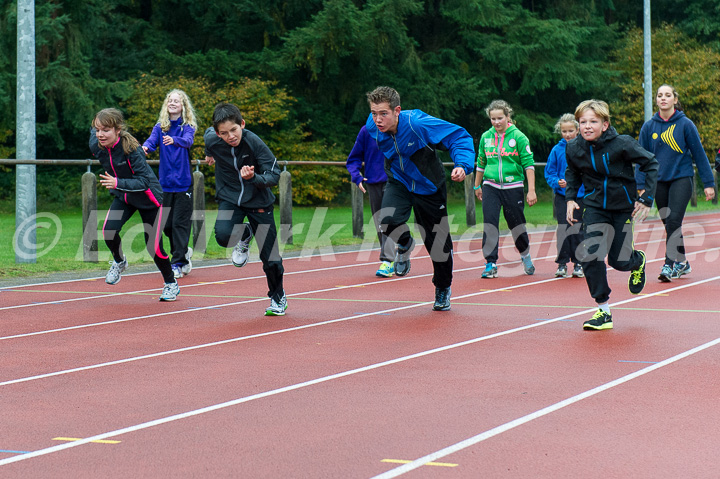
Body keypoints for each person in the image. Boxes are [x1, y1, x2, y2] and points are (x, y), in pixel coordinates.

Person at [364, 86, 475, 311]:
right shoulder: (372, 126)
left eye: (383, 114)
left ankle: (443, 288)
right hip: (400, 182)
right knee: (386, 220)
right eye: (374, 113)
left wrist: (462, 165)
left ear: (397, 111)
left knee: (438, 245)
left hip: (429, 186)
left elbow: (458, 137)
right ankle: (404, 244)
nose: (377, 119)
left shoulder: (417, 124)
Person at [565, 99, 658, 331]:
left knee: (620, 261)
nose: (587, 126)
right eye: (582, 122)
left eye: (593, 122)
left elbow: (651, 163)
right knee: (590, 254)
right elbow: (573, 172)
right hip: (594, 207)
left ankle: (638, 262)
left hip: (622, 208)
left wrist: (646, 198)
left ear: (604, 125)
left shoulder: (622, 144)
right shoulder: (574, 147)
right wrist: (570, 198)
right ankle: (603, 310)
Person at [204, 102, 287, 316]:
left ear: (242, 124)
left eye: (234, 130)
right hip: (230, 198)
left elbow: (274, 175)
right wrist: (209, 153)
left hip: (258, 200)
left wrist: (254, 177)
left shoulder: (254, 143)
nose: (230, 136)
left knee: (271, 257)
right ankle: (246, 233)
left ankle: (277, 296)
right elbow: (207, 138)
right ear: (217, 133)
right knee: (223, 236)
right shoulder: (212, 138)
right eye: (224, 133)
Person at [89, 108, 179, 301]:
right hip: (124, 197)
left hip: (149, 199)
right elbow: (95, 132)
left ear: (118, 130)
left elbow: (144, 182)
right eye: (97, 130)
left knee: (153, 247)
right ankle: (120, 261)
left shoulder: (132, 149)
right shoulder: (96, 145)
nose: (100, 134)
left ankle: (171, 284)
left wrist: (117, 183)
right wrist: (120, 187)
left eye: (105, 130)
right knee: (108, 231)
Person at [636, 84, 715, 282]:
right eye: (660, 95)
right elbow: (640, 158)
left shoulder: (685, 124)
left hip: (682, 178)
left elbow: (699, 154)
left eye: (667, 95)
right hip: (658, 182)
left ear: (675, 100)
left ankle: (669, 264)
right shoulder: (648, 127)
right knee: (669, 223)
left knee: (673, 221)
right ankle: (682, 262)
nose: (663, 98)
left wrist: (708, 183)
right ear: (656, 100)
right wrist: (640, 184)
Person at [474, 100, 537, 279]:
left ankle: (525, 254)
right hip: (490, 186)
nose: (496, 122)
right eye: (493, 119)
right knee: (490, 223)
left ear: (508, 117)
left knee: (516, 225)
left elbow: (529, 165)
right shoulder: (486, 137)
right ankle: (490, 263)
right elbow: (481, 162)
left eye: (500, 118)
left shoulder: (519, 137)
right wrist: (477, 185)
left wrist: (531, 190)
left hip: (513, 186)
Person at [142, 89, 198, 279]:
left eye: (176, 101)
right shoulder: (160, 127)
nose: (172, 103)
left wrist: (175, 140)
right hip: (164, 185)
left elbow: (188, 141)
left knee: (180, 224)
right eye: (170, 100)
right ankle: (183, 254)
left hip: (183, 184)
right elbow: (151, 142)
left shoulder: (187, 126)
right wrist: (144, 148)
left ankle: (178, 263)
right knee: (166, 226)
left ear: (183, 106)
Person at [345, 125, 394, 277]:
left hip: (395, 181)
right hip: (373, 181)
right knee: (380, 221)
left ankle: (388, 260)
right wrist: (356, 175)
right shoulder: (366, 131)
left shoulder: (400, 127)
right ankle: (401, 247)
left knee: (388, 218)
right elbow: (353, 159)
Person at [545, 113, 585, 278]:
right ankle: (562, 263)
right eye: (564, 131)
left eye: (570, 131)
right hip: (561, 196)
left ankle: (579, 262)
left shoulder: (584, 148)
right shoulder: (556, 150)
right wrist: (556, 182)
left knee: (577, 228)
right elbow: (549, 172)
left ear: (577, 130)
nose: (567, 134)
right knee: (563, 227)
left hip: (580, 195)